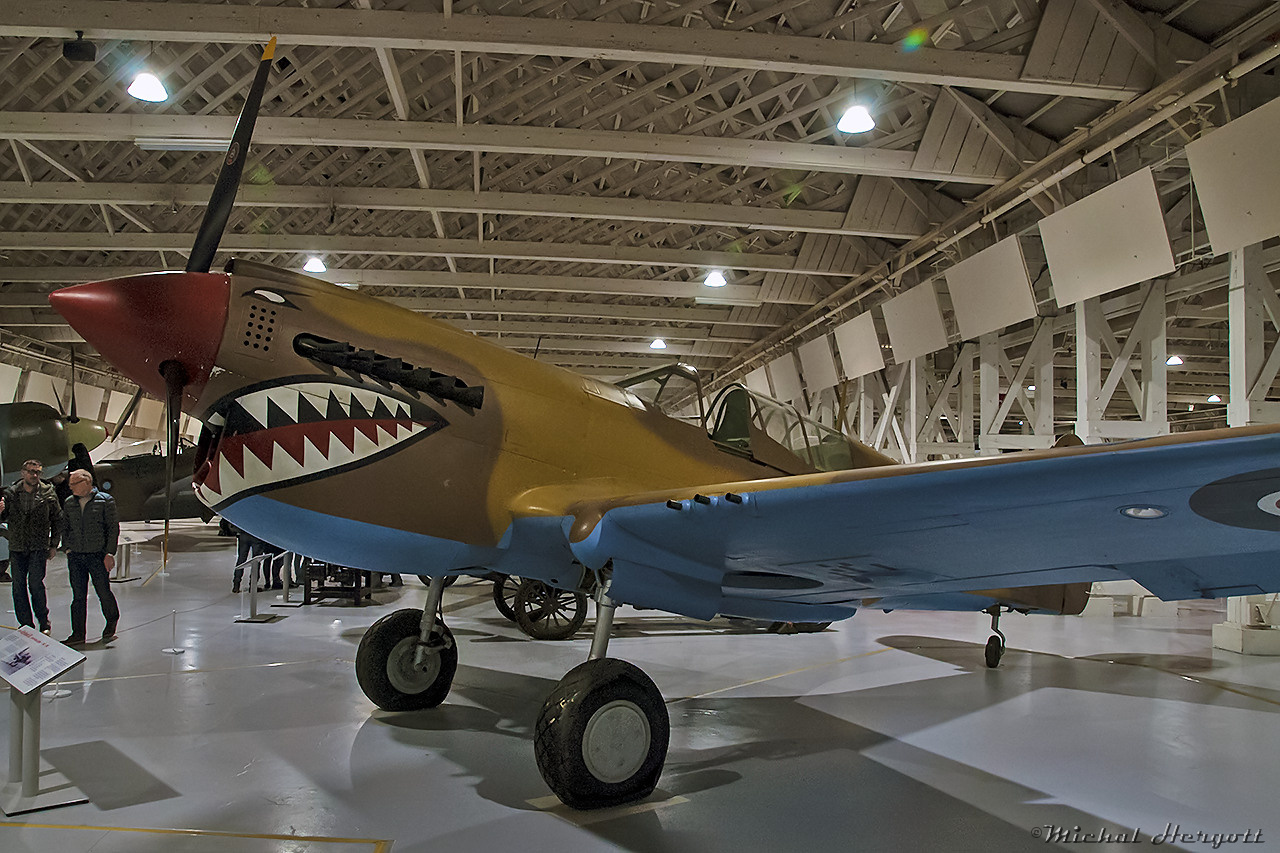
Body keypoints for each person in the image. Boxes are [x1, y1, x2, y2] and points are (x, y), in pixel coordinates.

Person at [0, 460, 61, 634]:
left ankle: (43, 621)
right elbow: (3, 518)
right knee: (18, 586)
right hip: (17, 547)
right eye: (31, 471)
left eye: (37, 472)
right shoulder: (11, 493)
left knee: (36, 584)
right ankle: (25, 623)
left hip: (38, 547)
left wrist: (54, 544)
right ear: (23, 473)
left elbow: (57, 519)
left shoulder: (48, 493)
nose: (34, 475)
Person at [60, 469, 120, 645]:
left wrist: (109, 553)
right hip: (76, 556)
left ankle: (112, 620)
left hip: (97, 556)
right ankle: (78, 633)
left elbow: (112, 528)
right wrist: (68, 548)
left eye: (74, 484)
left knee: (103, 592)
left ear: (86, 482)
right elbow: (66, 527)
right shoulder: (69, 503)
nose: (71, 487)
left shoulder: (105, 501)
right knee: (78, 596)